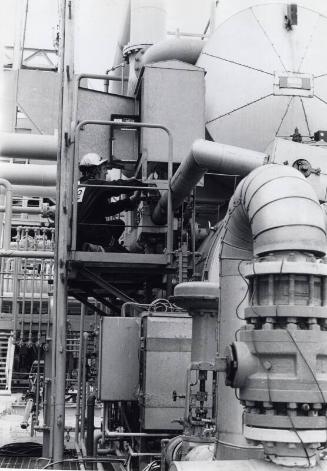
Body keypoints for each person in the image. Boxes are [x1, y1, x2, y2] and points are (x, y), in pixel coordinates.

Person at [77, 152, 143, 252]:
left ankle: (97, 245)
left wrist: (129, 201)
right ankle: (103, 246)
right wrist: (138, 183)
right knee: (126, 256)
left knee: (119, 225)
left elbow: (106, 210)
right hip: (94, 232)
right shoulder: (93, 185)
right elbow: (115, 187)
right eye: (104, 169)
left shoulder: (82, 186)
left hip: (83, 234)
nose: (106, 172)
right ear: (96, 170)